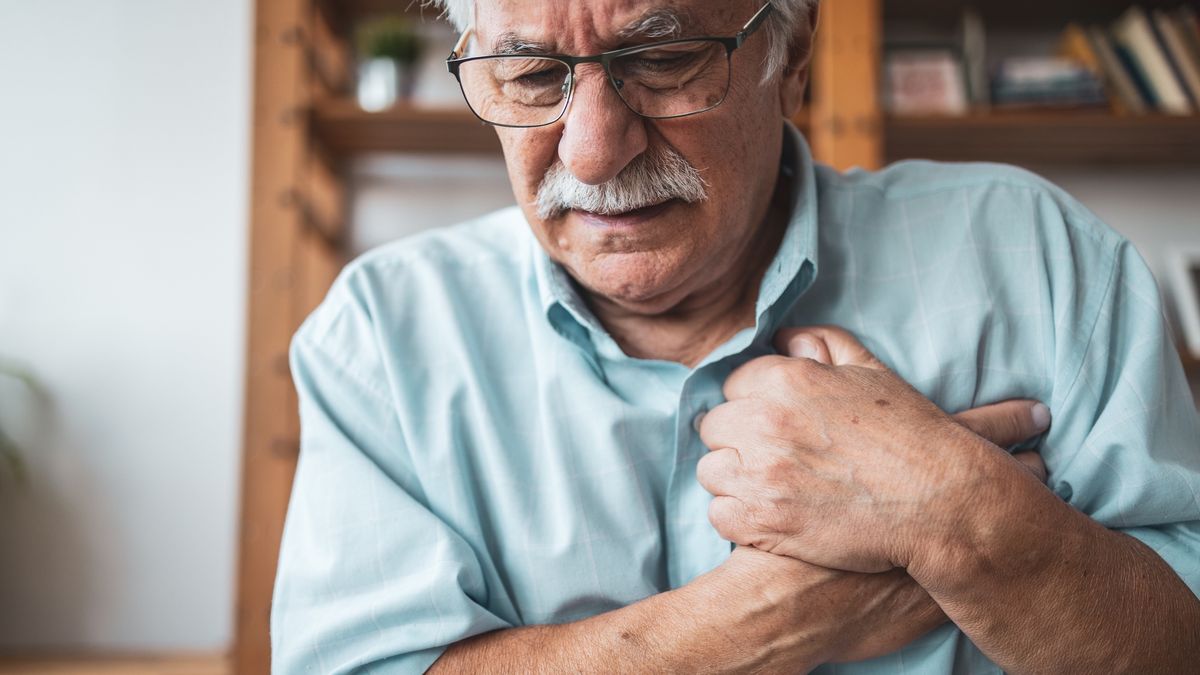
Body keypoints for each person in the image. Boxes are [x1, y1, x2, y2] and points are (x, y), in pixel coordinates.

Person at [270, 1, 1200, 672]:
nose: (592, 149)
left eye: (664, 58)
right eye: (531, 75)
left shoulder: (1037, 257)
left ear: (792, 55)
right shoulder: (383, 334)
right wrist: (774, 614)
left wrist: (958, 511)